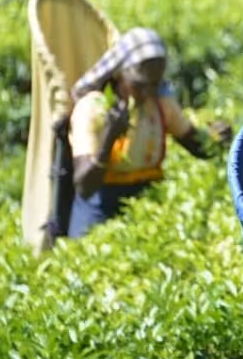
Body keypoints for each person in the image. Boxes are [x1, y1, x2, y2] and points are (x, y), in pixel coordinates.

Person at [66, 27, 232, 238]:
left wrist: (219, 140)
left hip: (147, 202)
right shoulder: (91, 110)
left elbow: (197, 146)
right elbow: (84, 186)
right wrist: (110, 136)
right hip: (99, 206)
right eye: (140, 85)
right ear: (120, 73)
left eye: (155, 84)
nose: (148, 93)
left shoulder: (160, 105)